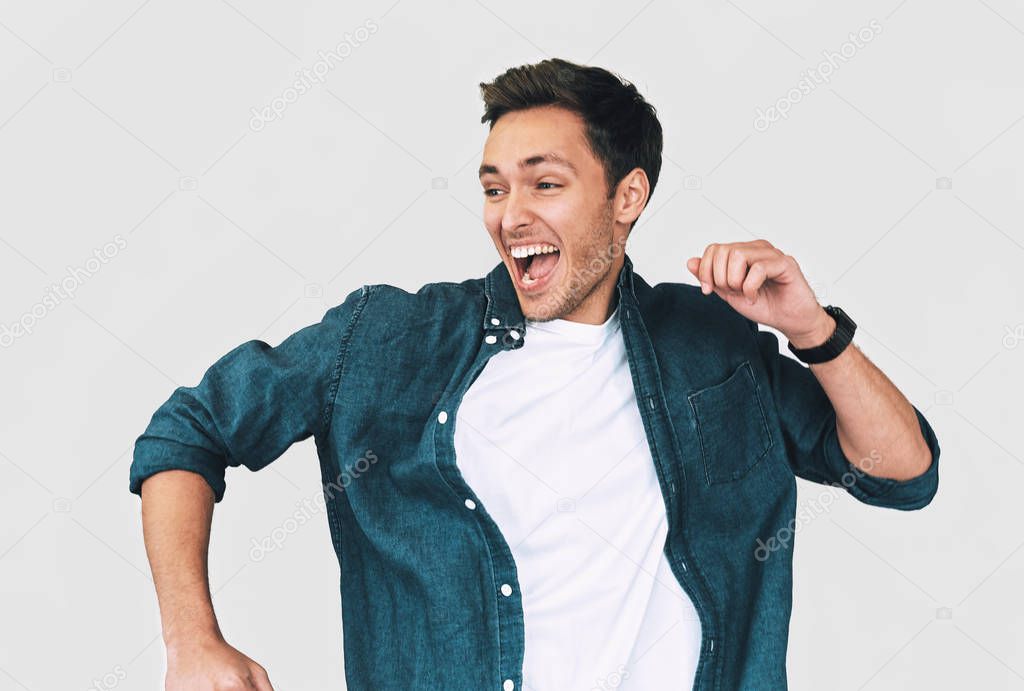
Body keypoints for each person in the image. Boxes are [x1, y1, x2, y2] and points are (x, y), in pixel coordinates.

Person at [128, 57, 940, 691]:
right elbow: (188, 431)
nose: (510, 214)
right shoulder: (389, 339)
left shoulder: (713, 343)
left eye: (545, 183)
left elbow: (903, 473)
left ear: (628, 197)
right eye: (494, 186)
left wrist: (813, 331)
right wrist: (192, 639)